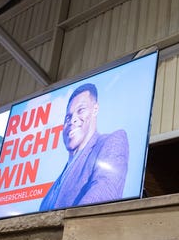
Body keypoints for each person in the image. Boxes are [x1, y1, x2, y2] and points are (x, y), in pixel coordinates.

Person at [39, 83, 129, 211]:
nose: (72, 120)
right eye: (68, 117)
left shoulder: (112, 141)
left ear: (95, 109)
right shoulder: (49, 195)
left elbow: (104, 192)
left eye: (80, 110)